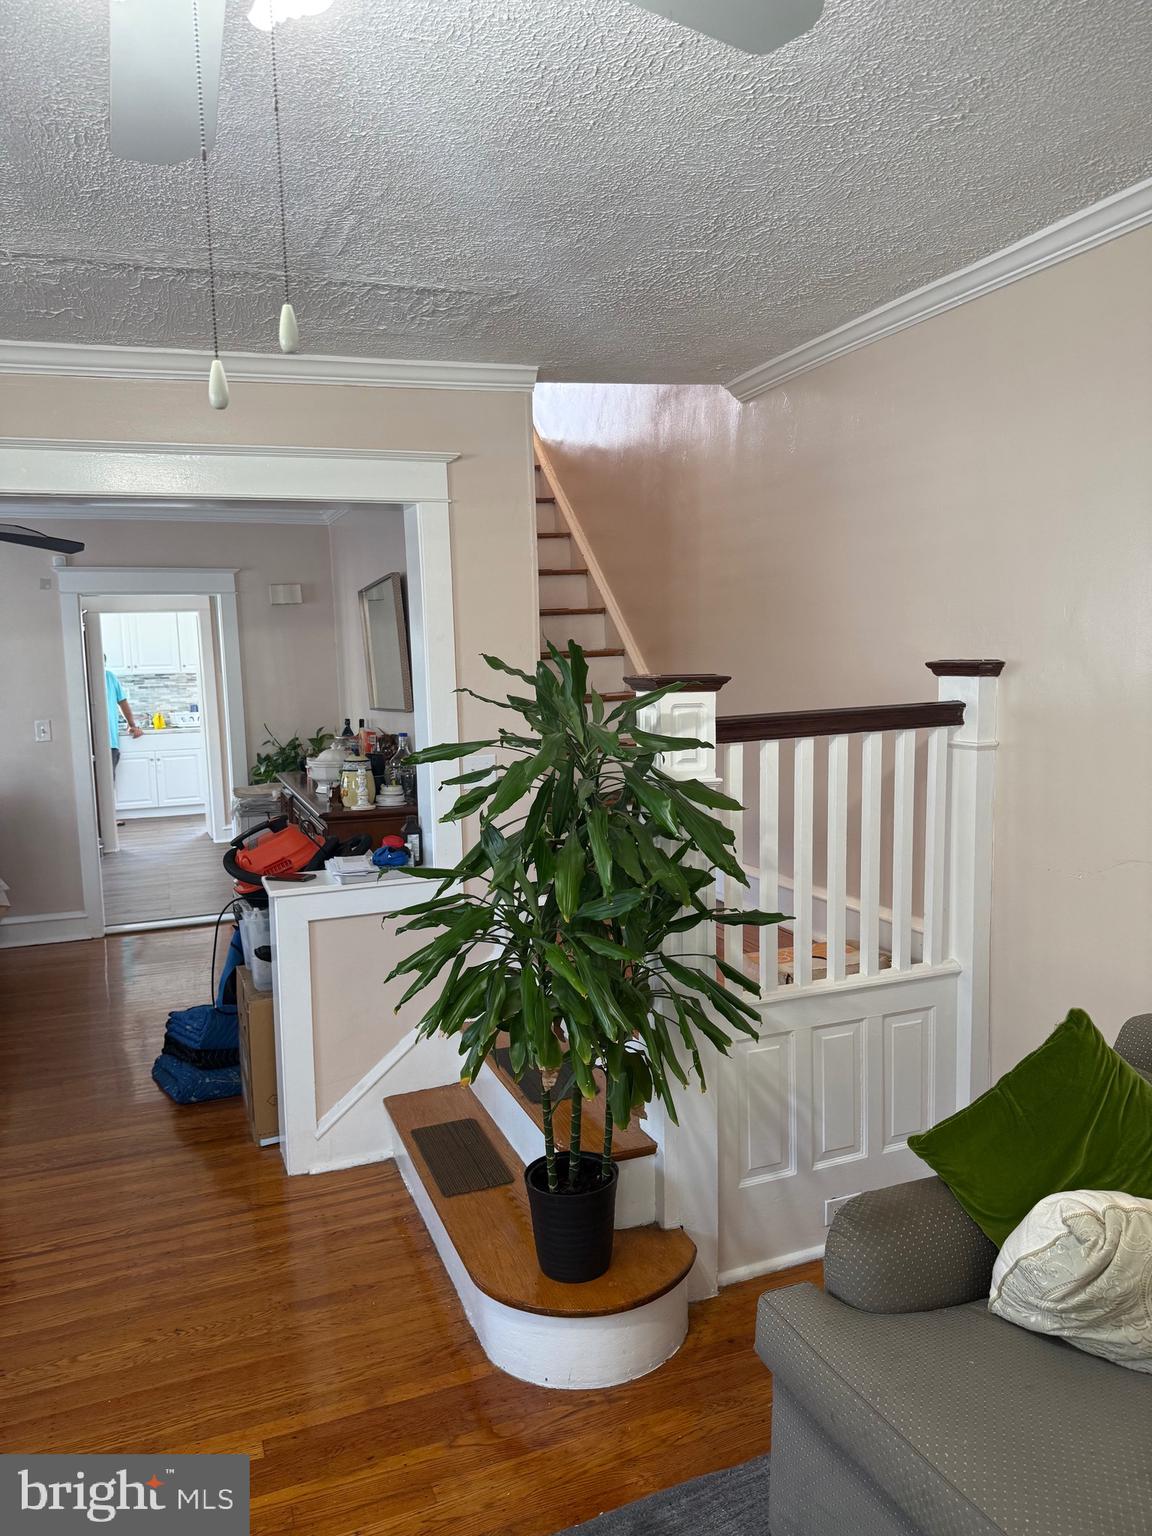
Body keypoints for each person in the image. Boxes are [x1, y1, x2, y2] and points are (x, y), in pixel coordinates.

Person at [105, 660, 143, 774]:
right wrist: (132, 725)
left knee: (105, 785)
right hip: (106, 743)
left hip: (109, 743)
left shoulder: (109, 676)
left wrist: (132, 725)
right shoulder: (109, 677)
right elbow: (122, 702)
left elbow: (122, 702)